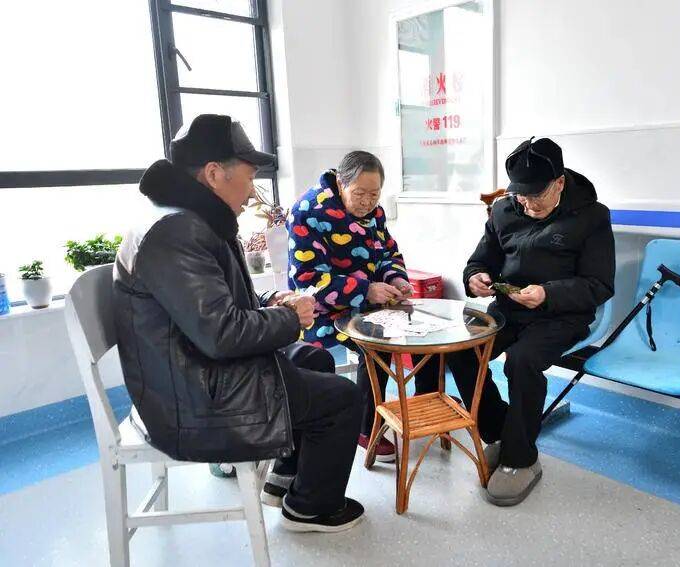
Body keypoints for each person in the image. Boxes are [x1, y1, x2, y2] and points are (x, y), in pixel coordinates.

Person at [113, 114, 365, 532]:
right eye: (249, 178)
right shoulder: (178, 232)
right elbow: (222, 334)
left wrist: (272, 302)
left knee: (315, 360)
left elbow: (217, 307)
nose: (252, 192)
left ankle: (284, 480)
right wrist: (289, 317)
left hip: (195, 374)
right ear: (214, 173)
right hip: (192, 402)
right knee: (343, 399)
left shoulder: (190, 218)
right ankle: (311, 508)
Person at [446, 137, 615, 506]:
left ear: (559, 182)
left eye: (536, 195)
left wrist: (548, 293)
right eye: (521, 195)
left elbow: (599, 285)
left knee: (521, 361)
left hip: (562, 315)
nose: (528, 204)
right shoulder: (504, 210)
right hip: (509, 309)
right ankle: (502, 431)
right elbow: (481, 260)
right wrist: (475, 277)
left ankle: (521, 459)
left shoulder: (592, 216)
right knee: (460, 350)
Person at [286, 151, 439, 462]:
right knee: (377, 343)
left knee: (426, 332)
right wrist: (365, 289)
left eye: (374, 194)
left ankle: (425, 407)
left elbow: (388, 253)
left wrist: (397, 280)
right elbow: (307, 280)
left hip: (370, 302)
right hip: (322, 310)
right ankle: (367, 427)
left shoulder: (374, 212)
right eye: (360, 194)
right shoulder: (307, 211)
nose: (368, 202)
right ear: (341, 183)